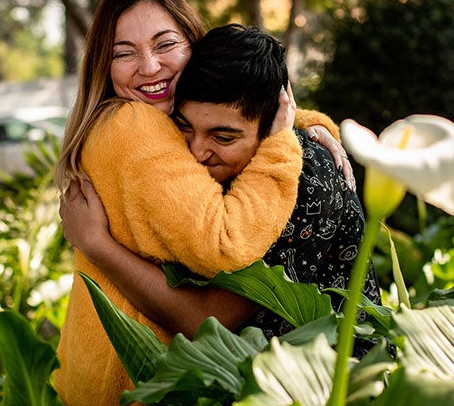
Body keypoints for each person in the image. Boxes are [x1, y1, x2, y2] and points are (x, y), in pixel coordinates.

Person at [52, 0, 348, 406]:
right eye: (123, 52)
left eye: (165, 44)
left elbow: (234, 111)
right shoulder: (132, 127)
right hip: (132, 401)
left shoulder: (164, 118)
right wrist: (283, 142)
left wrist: (305, 121)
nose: (149, 67)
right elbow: (224, 244)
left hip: (116, 391)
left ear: (196, 45)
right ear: (102, 66)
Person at [61, 24, 375, 345]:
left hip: (333, 380)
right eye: (183, 128)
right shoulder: (227, 147)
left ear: (274, 125)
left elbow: (206, 321)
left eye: (222, 137)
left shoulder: (303, 179)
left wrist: (97, 245)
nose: (197, 152)